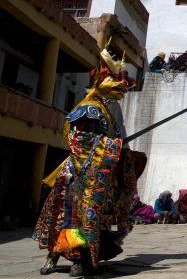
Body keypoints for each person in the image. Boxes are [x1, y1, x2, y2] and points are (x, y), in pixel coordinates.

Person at [33, 43, 147, 277]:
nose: (121, 88)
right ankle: (56, 256)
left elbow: (109, 140)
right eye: (115, 83)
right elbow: (79, 140)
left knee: (94, 218)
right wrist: (112, 145)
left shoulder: (106, 110)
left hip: (99, 175)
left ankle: (83, 257)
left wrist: (121, 150)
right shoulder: (89, 109)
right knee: (69, 216)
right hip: (78, 172)